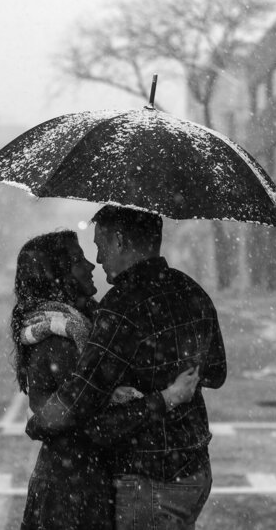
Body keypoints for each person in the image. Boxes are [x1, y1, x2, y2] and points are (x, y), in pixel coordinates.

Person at [26, 206, 227, 529]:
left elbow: (82, 399)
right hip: (195, 468)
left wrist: (38, 424)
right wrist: (177, 370)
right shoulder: (193, 292)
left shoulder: (121, 307)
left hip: (148, 475)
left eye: (100, 246)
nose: (99, 258)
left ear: (119, 241)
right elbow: (216, 373)